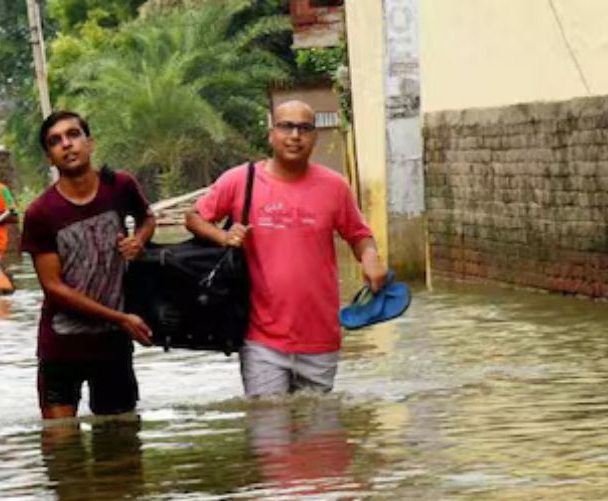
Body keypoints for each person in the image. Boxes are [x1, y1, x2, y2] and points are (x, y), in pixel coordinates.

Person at [186, 100, 388, 397]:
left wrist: (371, 257)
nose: (295, 135)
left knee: (318, 437)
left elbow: (359, 235)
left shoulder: (335, 187)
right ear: (271, 133)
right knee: (270, 434)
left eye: (305, 128)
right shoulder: (243, 180)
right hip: (261, 339)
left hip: (321, 338)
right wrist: (222, 236)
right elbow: (194, 217)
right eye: (287, 127)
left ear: (314, 137)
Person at [20, 110, 156, 419]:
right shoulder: (41, 213)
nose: (67, 145)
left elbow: (147, 217)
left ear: (90, 143)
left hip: (113, 346)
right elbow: (53, 287)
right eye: (56, 142)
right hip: (62, 347)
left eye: (73, 135)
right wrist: (120, 317)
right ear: (49, 159)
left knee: (120, 450)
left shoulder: (120, 186)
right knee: (62, 450)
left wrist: (139, 240)